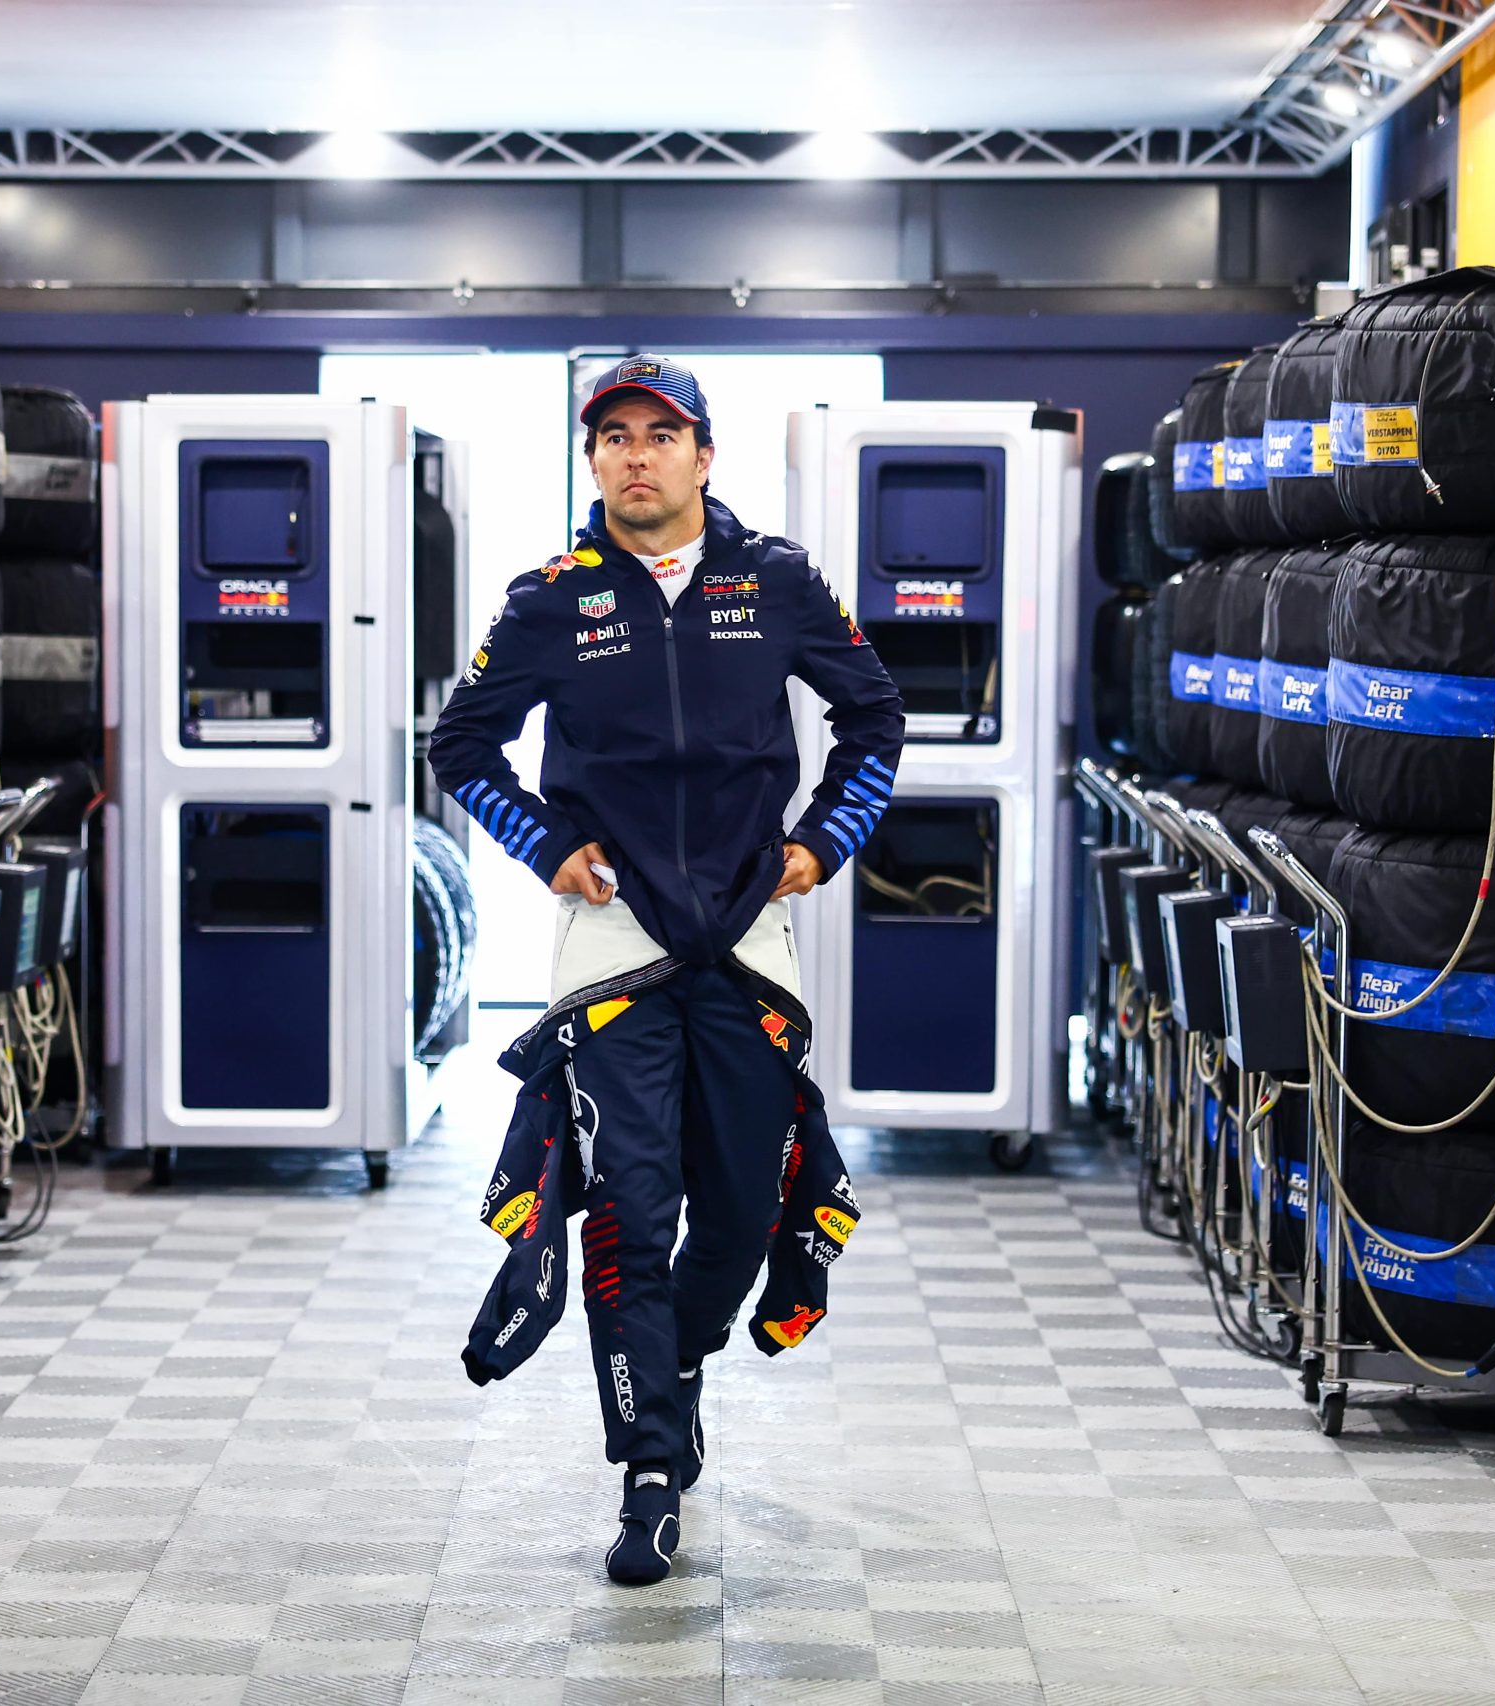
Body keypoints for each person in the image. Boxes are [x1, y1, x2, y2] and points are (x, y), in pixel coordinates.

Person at [429, 355, 904, 1585]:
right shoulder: (550, 598)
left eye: (661, 434)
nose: (635, 455)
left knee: (740, 1208)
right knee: (634, 1209)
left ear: (704, 454)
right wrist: (545, 846)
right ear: (592, 461)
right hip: (615, 935)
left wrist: (820, 843)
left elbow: (876, 722)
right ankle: (647, 1466)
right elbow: (461, 746)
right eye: (614, 438)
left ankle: (681, 1366)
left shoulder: (779, 579)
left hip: (749, 934)